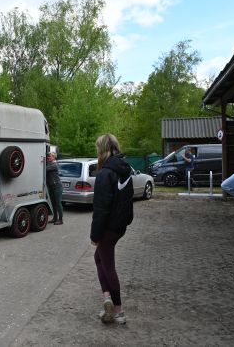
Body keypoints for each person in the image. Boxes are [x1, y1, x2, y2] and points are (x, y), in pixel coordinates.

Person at [90, 133, 132, 325]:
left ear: (103, 149)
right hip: (120, 226)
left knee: (108, 265)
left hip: (108, 228)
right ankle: (107, 297)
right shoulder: (125, 170)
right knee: (99, 258)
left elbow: (101, 209)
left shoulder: (104, 174)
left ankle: (118, 311)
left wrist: (95, 235)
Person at [46, 151, 64, 225]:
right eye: (48, 156)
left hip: (57, 186)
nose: (48, 157)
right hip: (51, 186)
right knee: (53, 203)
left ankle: (60, 219)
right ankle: (55, 218)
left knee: (58, 203)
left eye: (49, 156)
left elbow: (45, 169)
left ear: (53, 157)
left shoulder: (54, 165)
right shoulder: (50, 163)